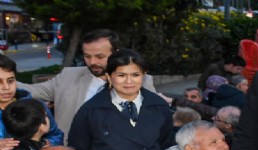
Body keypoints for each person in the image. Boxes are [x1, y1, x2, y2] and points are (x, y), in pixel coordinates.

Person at [17, 29, 157, 141]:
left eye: (100, 57)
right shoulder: (68, 76)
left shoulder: (140, 81)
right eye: (87, 56)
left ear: (116, 53)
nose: (92, 62)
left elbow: (152, 122)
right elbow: (31, 90)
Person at [0, 55, 63, 150]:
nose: (6, 87)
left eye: (10, 81)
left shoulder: (36, 106)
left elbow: (56, 135)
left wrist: (46, 144)